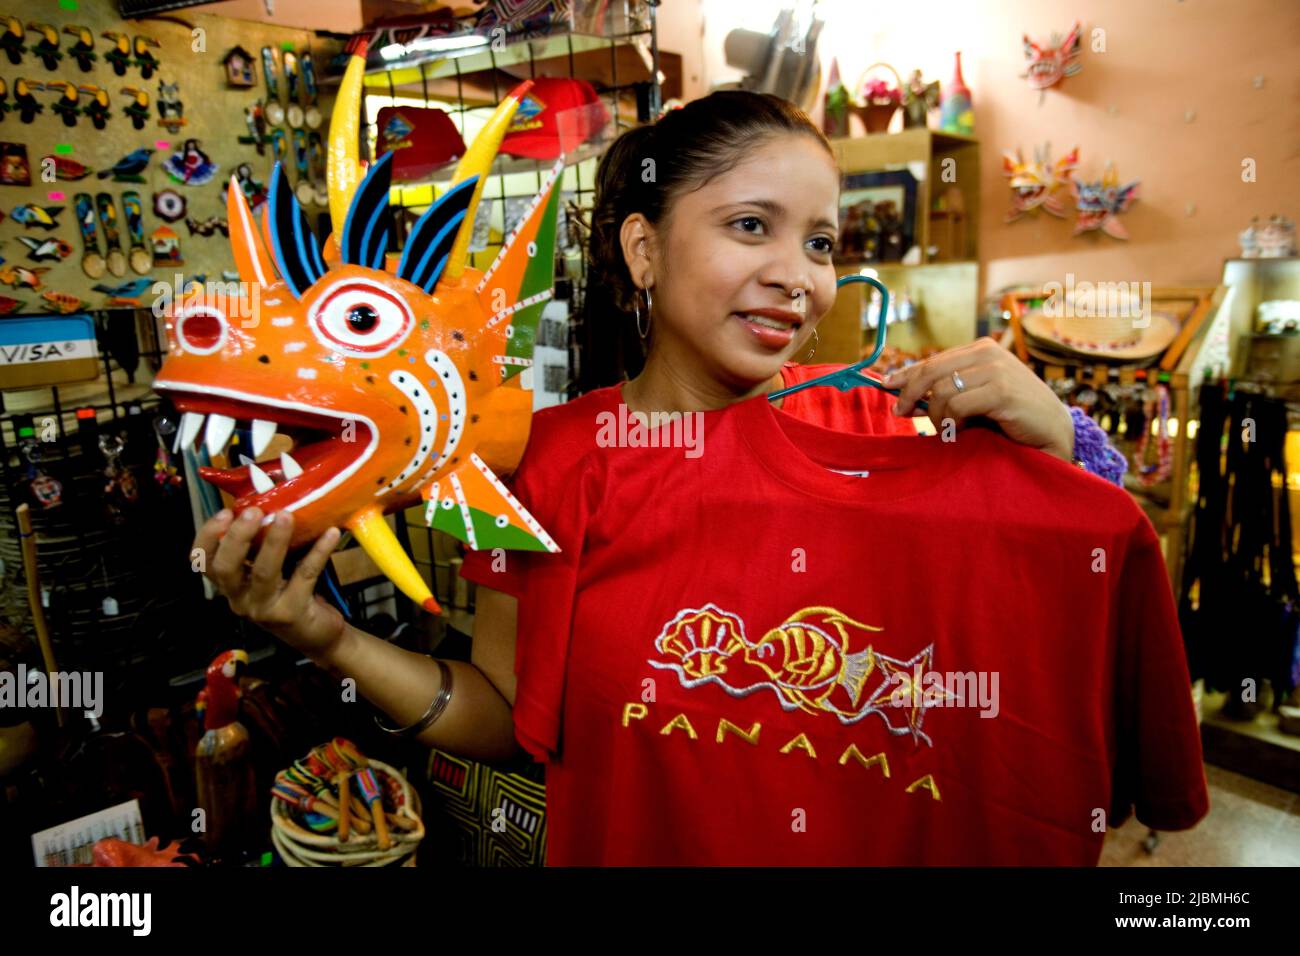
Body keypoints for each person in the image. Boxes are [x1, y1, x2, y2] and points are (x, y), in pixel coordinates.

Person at [193, 91, 1141, 861]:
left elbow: (1085, 592)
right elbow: (502, 717)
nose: (797, 276)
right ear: (643, 248)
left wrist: (1060, 442)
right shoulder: (541, 462)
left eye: (819, 242)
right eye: (750, 226)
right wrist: (321, 636)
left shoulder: (892, 422)